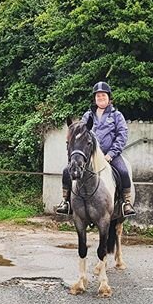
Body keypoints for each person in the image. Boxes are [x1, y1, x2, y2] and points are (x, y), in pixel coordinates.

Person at [56, 81, 136, 217]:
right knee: (67, 170)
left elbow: (121, 137)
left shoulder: (117, 116)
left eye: (103, 96)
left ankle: (126, 203)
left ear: (109, 98)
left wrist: (111, 154)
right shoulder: (87, 116)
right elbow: (80, 135)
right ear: (95, 98)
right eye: (98, 96)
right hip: (91, 155)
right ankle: (65, 202)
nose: (100, 98)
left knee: (123, 171)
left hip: (110, 155)